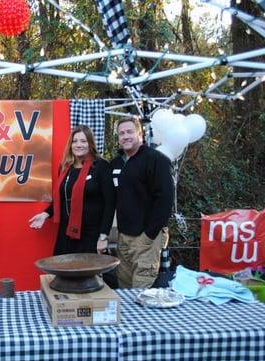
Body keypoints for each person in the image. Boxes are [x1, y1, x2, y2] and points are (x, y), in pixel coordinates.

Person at [29, 125, 115, 261]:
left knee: (87, 277)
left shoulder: (101, 166)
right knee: (63, 274)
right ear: (70, 145)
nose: (78, 145)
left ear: (90, 143)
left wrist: (103, 236)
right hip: (66, 233)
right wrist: (45, 214)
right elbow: (61, 198)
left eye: (83, 141)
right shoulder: (65, 168)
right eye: (75, 141)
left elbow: (110, 204)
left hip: (90, 235)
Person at [110, 116, 173, 289]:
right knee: (124, 287)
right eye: (121, 133)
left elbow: (165, 200)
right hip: (124, 237)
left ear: (140, 133)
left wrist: (149, 235)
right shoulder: (120, 163)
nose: (125, 136)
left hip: (146, 237)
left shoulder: (156, 160)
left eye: (130, 132)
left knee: (141, 290)